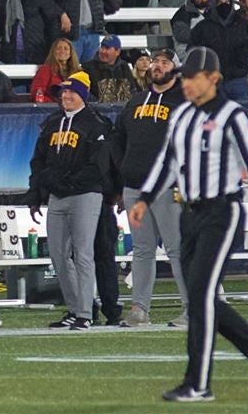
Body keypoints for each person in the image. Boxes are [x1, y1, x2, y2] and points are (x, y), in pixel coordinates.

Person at [132, 46, 248, 403]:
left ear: (213, 79)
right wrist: (144, 198)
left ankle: (198, 384)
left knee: (200, 294)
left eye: (193, 77)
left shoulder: (234, 115)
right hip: (190, 213)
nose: (186, 83)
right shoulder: (182, 115)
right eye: (184, 76)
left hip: (222, 212)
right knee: (203, 297)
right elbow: (168, 162)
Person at [27, 71, 112, 331]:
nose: (65, 96)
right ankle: (75, 308)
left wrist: (68, 182)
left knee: (83, 254)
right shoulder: (53, 123)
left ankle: (86, 313)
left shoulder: (96, 123)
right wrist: (36, 194)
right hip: (58, 196)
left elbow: (98, 165)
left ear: (82, 94)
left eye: (70, 91)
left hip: (85, 195)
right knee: (58, 255)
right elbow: (38, 160)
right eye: (62, 92)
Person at [113, 48, 189, 328]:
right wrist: (124, 170)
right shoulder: (135, 102)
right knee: (142, 250)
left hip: (169, 186)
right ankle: (139, 310)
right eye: (155, 62)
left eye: (165, 62)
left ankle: (193, 308)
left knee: (177, 248)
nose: (157, 66)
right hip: (135, 186)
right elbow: (117, 139)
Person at [189, 0, 248, 101]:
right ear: (214, 4)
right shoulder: (203, 26)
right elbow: (192, 51)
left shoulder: (243, 24)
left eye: (227, 1)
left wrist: (247, 49)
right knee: (214, 117)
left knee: (241, 116)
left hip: (238, 79)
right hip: (212, 81)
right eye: (220, 1)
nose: (224, 4)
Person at [83, 34, 140, 103]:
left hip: (122, 110)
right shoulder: (88, 67)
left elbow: (132, 90)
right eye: (102, 47)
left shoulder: (124, 66)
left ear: (117, 51)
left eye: (107, 48)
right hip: (97, 110)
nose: (103, 51)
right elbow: (85, 93)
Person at [31, 37, 80, 102]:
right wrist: (56, 103)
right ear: (53, 52)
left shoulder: (78, 72)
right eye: (59, 48)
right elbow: (37, 93)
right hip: (51, 108)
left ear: (71, 53)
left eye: (66, 49)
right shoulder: (45, 70)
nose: (62, 51)